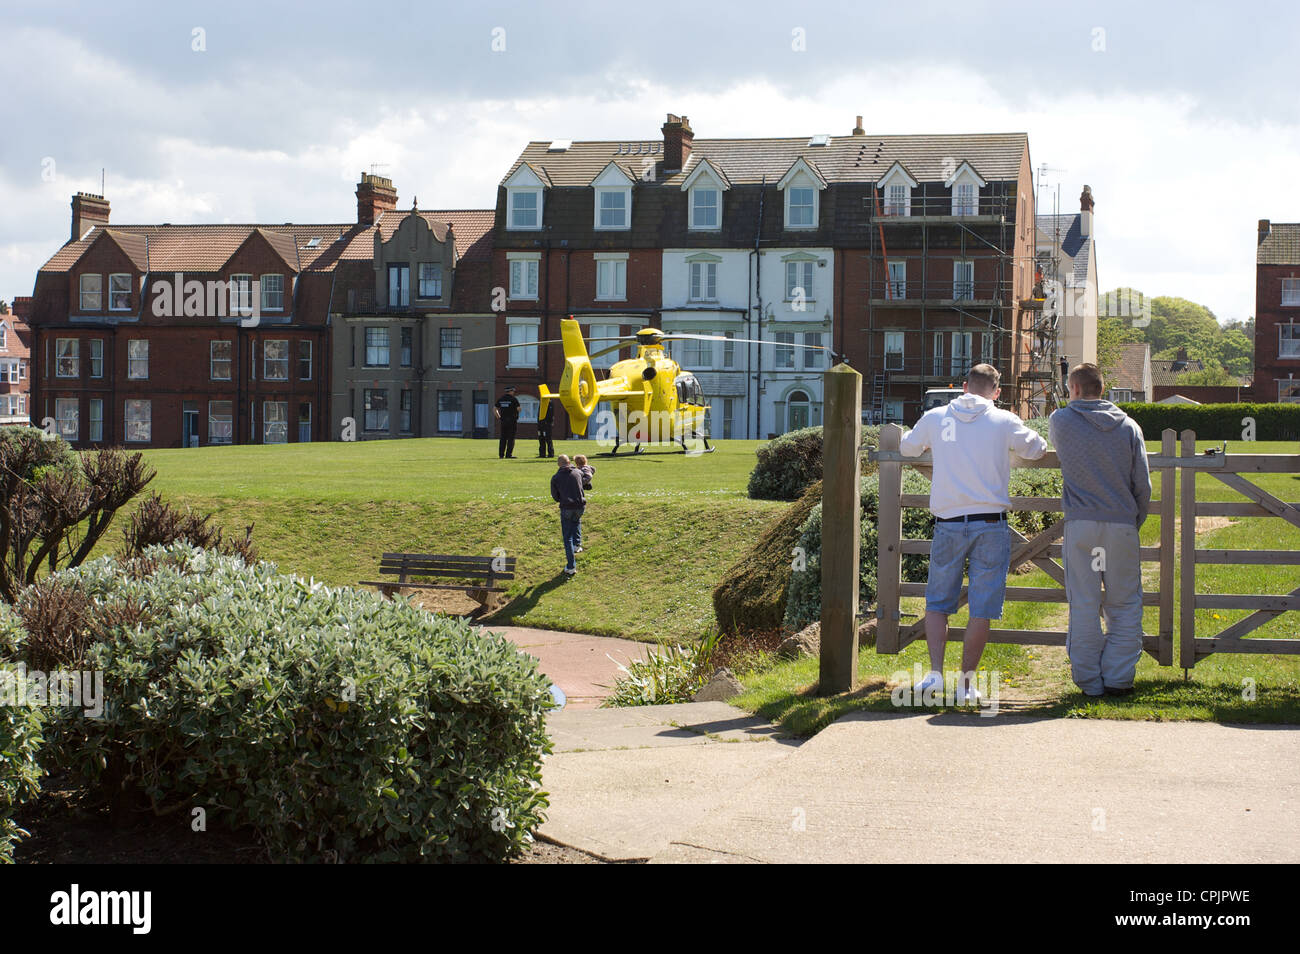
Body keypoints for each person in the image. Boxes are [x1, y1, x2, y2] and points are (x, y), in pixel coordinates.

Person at [900, 363, 1048, 704]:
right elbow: (1036, 449)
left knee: (938, 603)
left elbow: (908, 448)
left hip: (949, 521)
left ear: (964, 386)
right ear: (996, 392)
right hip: (991, 524)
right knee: (982, 608)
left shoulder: (938, 417)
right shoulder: (1004, 420)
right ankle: (966, 684)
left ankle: (935, 673)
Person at [1049, 363, 1151, 697]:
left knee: (1084, 603)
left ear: (1074, 389)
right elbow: (1143, 485)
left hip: (1082, 526)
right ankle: (1119, 678)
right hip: (1120, 525)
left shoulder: (1061, 422)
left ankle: (1089, 681)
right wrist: (1132, 521)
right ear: (1102, 389)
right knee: (1124, 605)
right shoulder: (1130, 427)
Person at [550, 454, 585, 576]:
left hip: (566, 507)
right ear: (569, 462)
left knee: (567, 537)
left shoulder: (556, 477)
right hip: (580, 506)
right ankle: (577, 544)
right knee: (576, 521)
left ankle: (571, 566)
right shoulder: (578, 472)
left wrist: (563, 499)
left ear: (559, 464)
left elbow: (555, 496)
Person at [572, 455, 595, 552]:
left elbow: (588, 476)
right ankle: (576, 543)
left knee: (575, 521)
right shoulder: (583, 468)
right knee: (576, 521)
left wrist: (580, 482)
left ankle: (575, 543)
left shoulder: (584, 469)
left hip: (577, 499)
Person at [494, 386, 520, 459]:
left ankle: (501, 455)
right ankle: (508, 454)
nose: (513, 392)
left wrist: (498, 417)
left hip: (503, 421)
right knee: (511, 438)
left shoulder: (501, 399)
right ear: (511, 391)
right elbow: (518, 409)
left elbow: (494, 408)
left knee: (503, 438)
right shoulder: (514, 399)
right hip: (512, 421)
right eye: (513, 391)